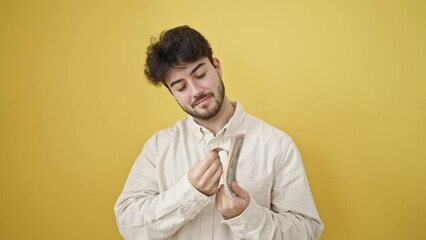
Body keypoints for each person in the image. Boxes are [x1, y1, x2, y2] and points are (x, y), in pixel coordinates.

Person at [114, 25, 323, 240]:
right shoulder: (158, 148)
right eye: (181, 87)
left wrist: (246, 215)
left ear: (217, 66)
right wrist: (188, 194)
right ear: (171, 93)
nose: (196, 91)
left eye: (201, 74)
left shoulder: (277, 145)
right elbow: (129, 224)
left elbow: (307, 231)